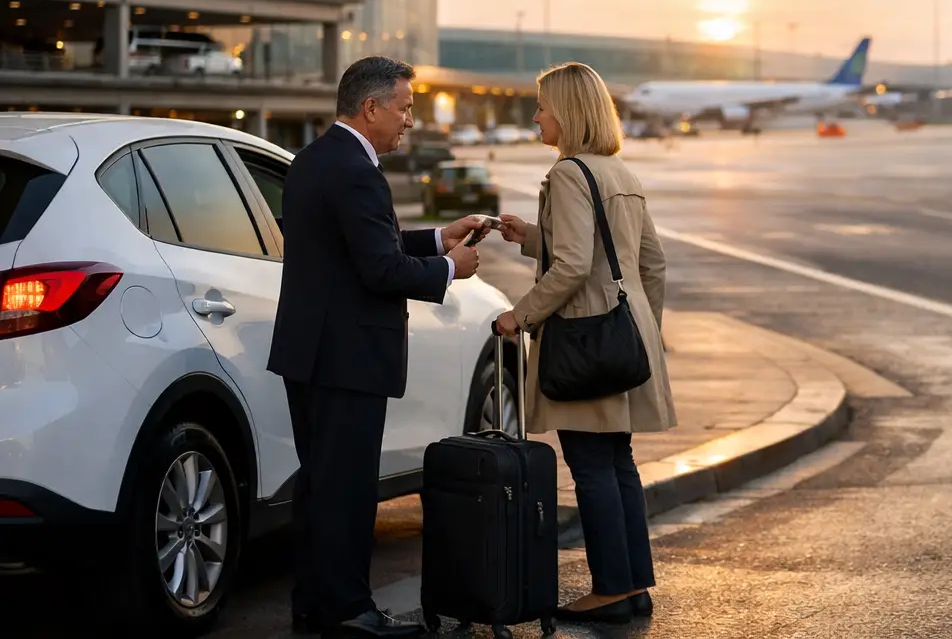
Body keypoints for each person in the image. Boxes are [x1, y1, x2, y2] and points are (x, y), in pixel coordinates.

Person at [268, 56, 486, 639]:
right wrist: (449, 268)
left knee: (319, 485)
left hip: (311, 351)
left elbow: (363, 242)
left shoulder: (317, 158)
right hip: (347, 354)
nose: (409, 120)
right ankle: (349, 612)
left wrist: (441, 234)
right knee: (346, 489)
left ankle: (315, 604)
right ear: (371, 108)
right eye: (404, 108)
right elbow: (380, 268)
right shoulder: (356, 169)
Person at [495, 62, 676, 625]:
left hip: (582, 338)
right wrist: (643, 329)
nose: (536, 115)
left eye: (543, 106)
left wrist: (519, 317)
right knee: (618, 461)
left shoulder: (570, 173)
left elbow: (574, 265)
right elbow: (649, 262)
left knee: (590, 465)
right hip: (623, 332)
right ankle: (631, 586)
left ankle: (610, 590)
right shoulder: (619, 171)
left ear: (567, 113)